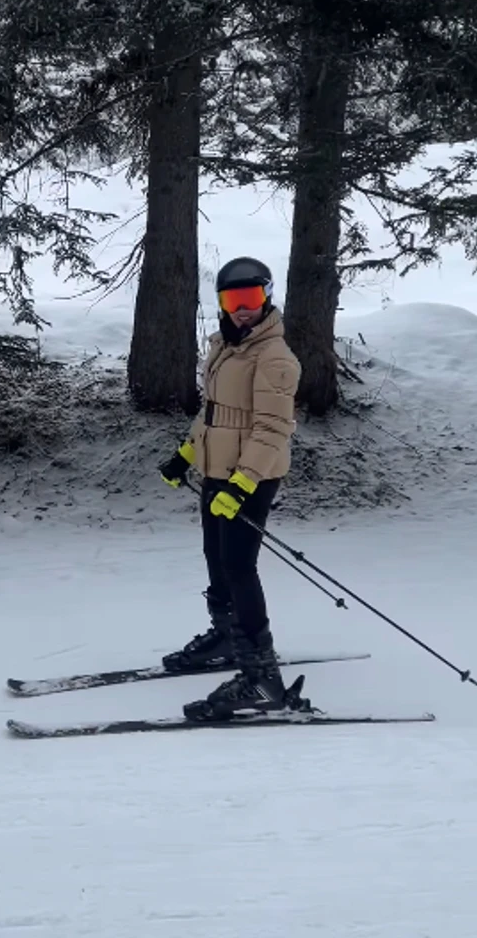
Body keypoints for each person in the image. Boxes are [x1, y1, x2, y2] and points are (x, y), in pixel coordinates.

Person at [158, 256, 301, 720]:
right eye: (233, 300)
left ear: (267, 297)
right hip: (217, 472)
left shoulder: (274, 358)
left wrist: (241, 485)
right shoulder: (224, 347)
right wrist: (186, 454)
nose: (242, 309)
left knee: (239, 566)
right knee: (215, 556)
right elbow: (215, 415)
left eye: (251, 298)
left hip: (252, 476)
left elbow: (272, 430)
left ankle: (262, 676)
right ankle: (225, 636)